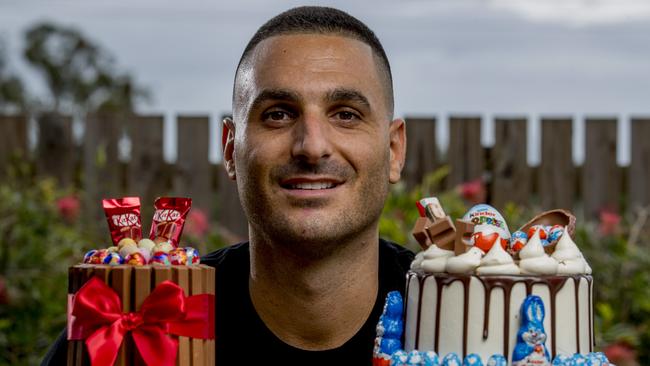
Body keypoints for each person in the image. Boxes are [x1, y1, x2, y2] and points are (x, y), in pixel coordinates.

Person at [42, 6, 412, 365]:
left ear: (394, 150)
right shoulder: (133, 321)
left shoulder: (458, 310)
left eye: (346, 115)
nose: (312, 147)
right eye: (278, 114)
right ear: (230, 149)